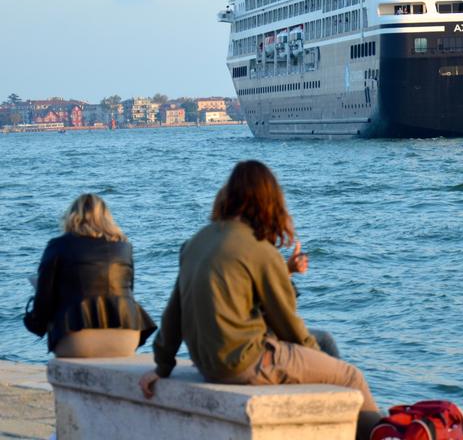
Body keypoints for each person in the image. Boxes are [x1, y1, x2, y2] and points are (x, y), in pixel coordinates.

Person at [139, 161, 380, 440]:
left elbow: (173, 314)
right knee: (351, 378)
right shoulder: (259, 249)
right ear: (269, 199)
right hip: (244, 363)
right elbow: (288, 324)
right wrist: (314, 355)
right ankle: (384, 434)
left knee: (323, 348)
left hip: (207, 365)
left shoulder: (196, 242)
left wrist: (162, 366)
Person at [23, 194, 156, 357]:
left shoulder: (58, 246)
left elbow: (43, 303)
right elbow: (128, 292)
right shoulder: (124, 247)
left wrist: (35, 322)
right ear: (107, 218)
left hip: (79, 339)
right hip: (128, 336)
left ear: (71, 217)